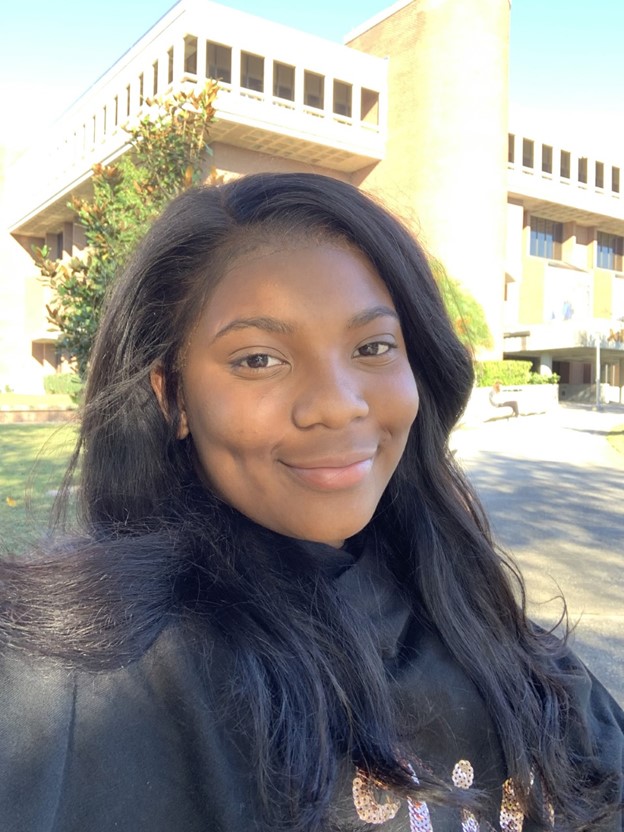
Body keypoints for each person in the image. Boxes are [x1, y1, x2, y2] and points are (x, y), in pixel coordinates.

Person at [0, 173, 621, 832]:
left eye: (373, 347)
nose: (336, 403)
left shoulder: (494, 632)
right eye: (260, 359)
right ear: (172, 397)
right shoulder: (90, 676)